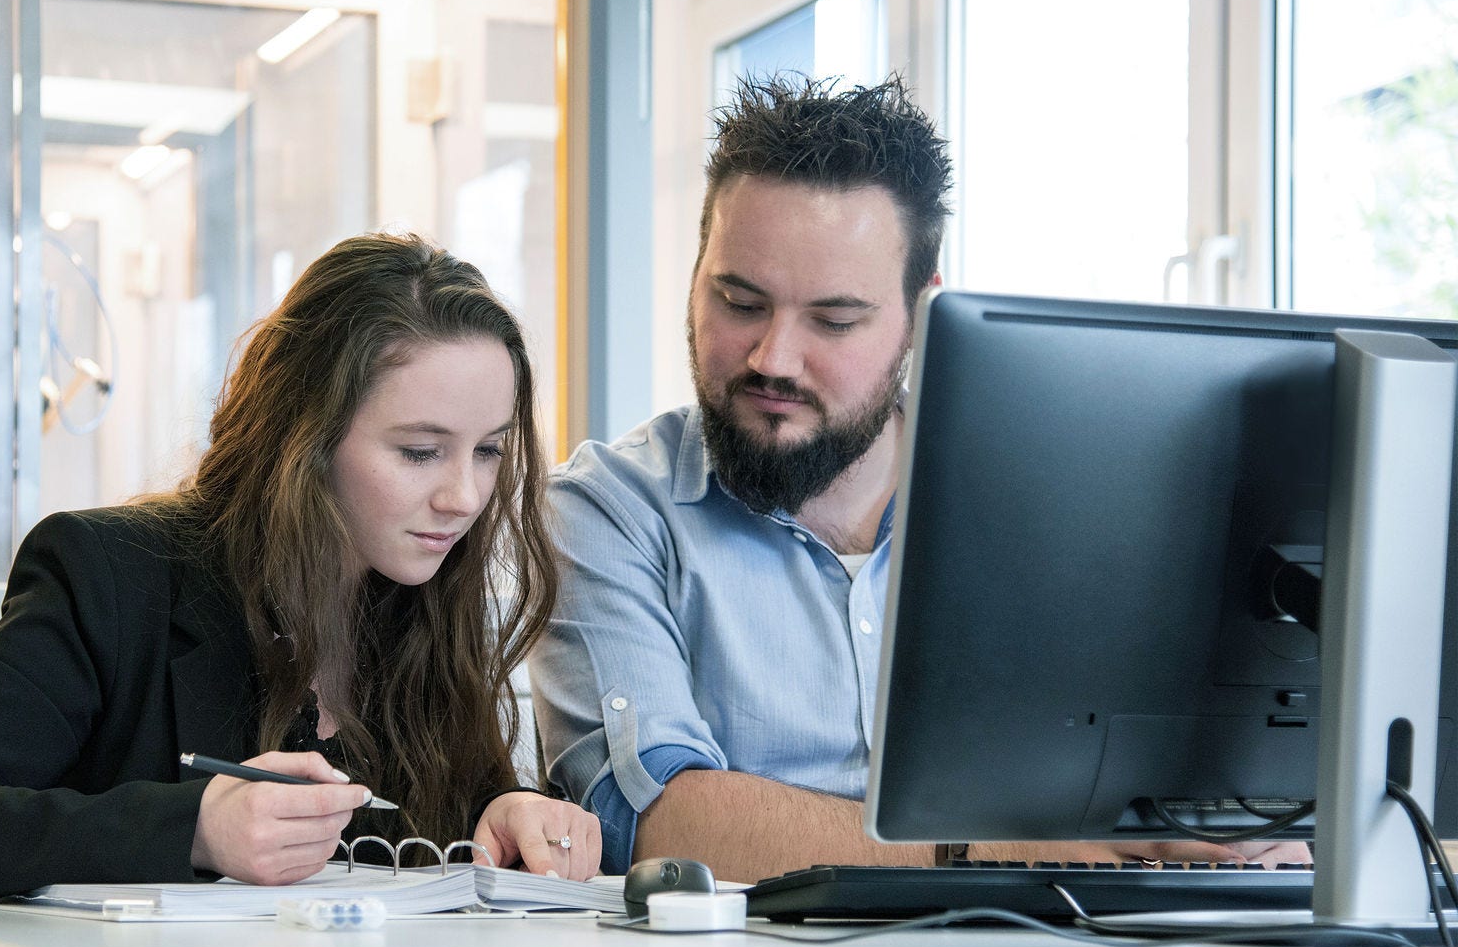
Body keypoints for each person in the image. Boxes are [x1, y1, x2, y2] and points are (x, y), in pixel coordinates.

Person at [529, 75, 1310, 884]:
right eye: (739, 301)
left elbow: (1145, 787)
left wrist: (1221, 831)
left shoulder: (1049, 509)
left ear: (921, 314)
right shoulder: (609, 512)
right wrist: (1021, 852)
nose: (773, 358)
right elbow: (658, 824)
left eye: (834, 320)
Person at [0, 232, 601, 906]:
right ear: (304, 436)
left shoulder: (426, 598)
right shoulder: (111, 577)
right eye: (418, 452)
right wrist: (196, 829)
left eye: (490, 450)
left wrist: (506, 815)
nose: (463, 497)